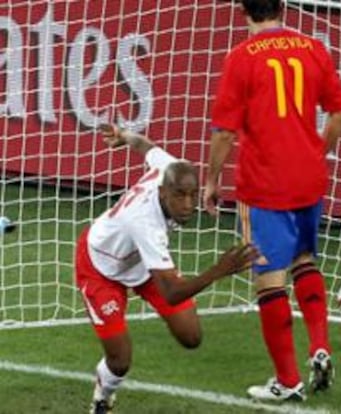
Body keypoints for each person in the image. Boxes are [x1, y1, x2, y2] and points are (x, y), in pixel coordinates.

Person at [204, 0, 341, 403]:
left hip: (264, 184)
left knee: (270, 282)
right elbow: (339, 114)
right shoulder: (313, 48)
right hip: (309, 179)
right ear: (283, 7)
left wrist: (211, 179)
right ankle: (320, 346)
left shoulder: (240, 58)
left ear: (242, 9)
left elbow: (223, 132)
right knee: (305, 259)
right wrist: (317, 153)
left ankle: (287, 381)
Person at [76, 124, 259, 414]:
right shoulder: (144, 222)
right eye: (179, 196)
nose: (188, 205)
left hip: (140, 263)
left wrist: (125, 137)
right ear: (162, 192)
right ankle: (103, 397)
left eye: (192, 195)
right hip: (101, 266)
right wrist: (218, 270)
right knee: (120, 361)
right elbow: (172, 293)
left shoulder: (170, 167)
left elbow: (146, 147)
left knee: (191, 337)